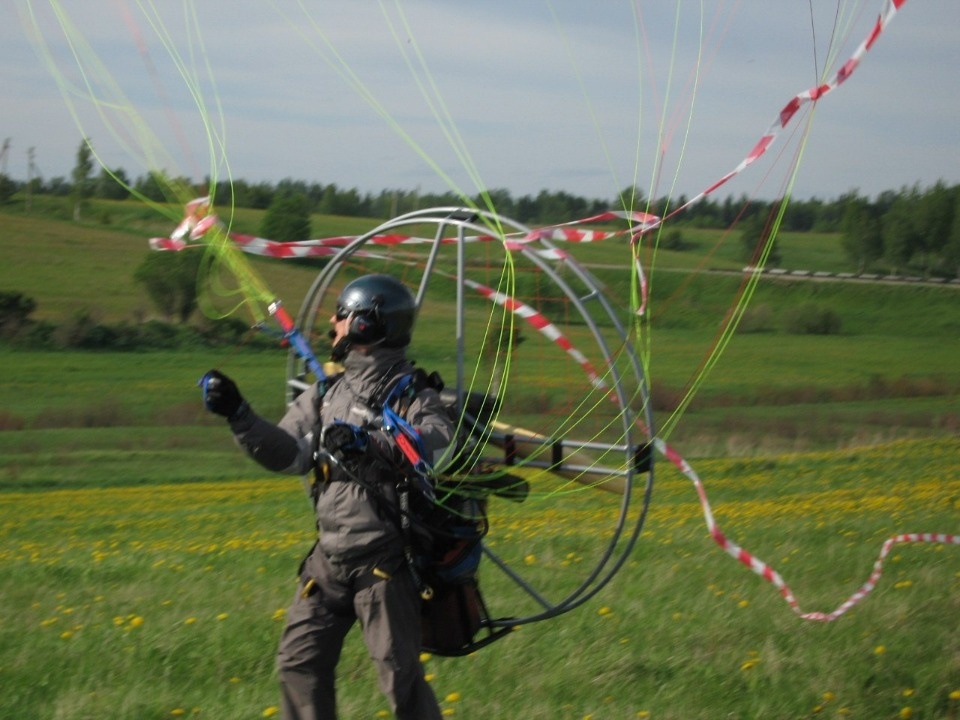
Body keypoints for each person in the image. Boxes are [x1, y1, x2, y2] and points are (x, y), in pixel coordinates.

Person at [201, 273, 452, 720]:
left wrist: (371, 443)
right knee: (298, 663)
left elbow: (437, 441)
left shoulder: (412, 392)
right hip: (328, 560)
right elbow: (289, 454)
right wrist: (240, 416)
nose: (333, 323)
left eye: (342, 315)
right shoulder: (327, 393)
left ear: (366, 325)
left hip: (383, 562)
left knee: (400, 678)